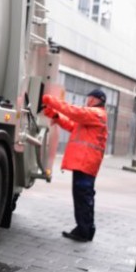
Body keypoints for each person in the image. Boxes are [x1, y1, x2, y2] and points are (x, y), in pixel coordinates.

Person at [42, 88, 109, 242]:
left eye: (89, 98)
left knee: (83, 197)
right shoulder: (92, 117)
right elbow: (72, 126)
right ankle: (85, 229)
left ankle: (84, 231)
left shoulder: (97, 114)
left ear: (94, 99)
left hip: (86, 162)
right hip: (83, 163)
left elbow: (74, 112)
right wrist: (56, 116)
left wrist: (50, 100)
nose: (87, 101)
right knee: (82, 196)